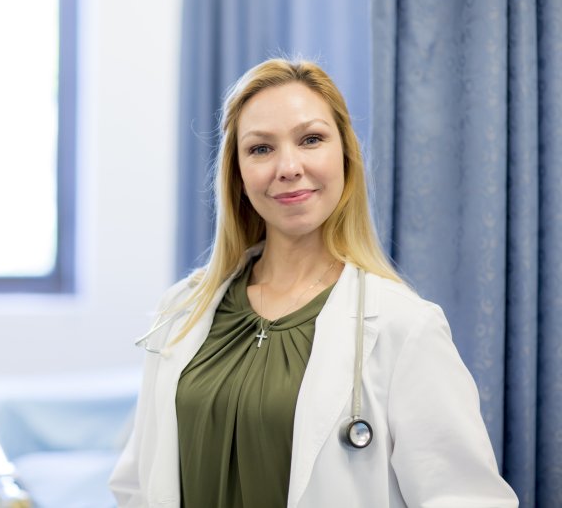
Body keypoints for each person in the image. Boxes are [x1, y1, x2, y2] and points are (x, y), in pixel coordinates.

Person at [109, 58, 518, 507]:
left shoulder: (405, 327)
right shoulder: (182, 310)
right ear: (238, 174)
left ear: (344, 156)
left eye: (311, 139)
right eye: (260, 148)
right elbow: (136, 486)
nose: (288, 166)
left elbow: (466, 498)